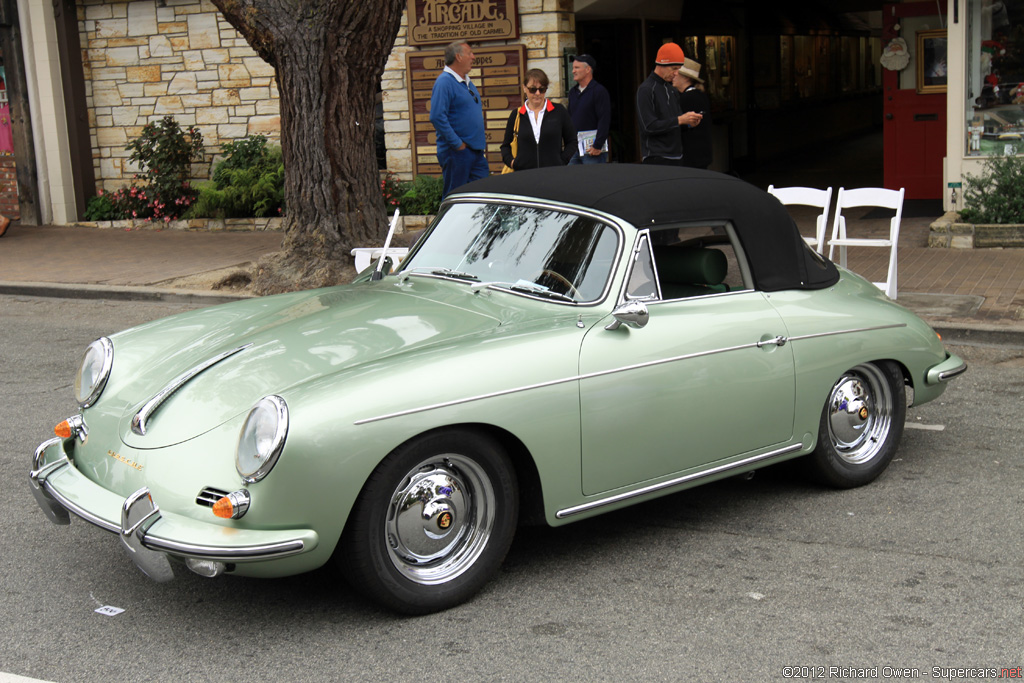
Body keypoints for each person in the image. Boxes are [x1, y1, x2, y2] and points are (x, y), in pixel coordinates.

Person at [429, 40, 489, 198]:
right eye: (469, 53)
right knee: (455, 199)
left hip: (475, 152)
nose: (473, 57)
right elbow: (436, 116)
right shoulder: (444, 82)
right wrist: (457, 144)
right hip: (457, 153)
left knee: (482, 197)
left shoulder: (467, 82)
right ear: (458, 57)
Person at [636, 42, 701, 165]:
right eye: (674, 68)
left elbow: (676, 121)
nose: (676, 73)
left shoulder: (671, 89)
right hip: (656, 157)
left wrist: (689, 123)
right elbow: (648, 126)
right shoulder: (646, 89)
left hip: (677, 155)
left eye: (678, 68)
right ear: (662, 65)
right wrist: (680, 120)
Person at [500, 69, 576, 171]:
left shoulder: (559, 111)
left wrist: (561, 162)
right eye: (533, 89)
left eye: (542, 89)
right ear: (524, 88)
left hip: (553, 174)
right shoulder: (516, 115)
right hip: (524, 175)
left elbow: (572, 141)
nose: (537, 93)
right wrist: (513, 163)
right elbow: (505, 146)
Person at [567, 54, 611, 164]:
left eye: (577, 68)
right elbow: (569, 118)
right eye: (573, 68)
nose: (573, 71)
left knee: (592, 180)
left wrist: (598, 145)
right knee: (569, 179)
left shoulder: (599, 91)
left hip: (593, 150)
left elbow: (604, 119)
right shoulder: (573, 92)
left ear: (588, 69)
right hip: (576, 149)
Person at [673, 58, 712, 169]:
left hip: (691, 158)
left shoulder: (688, 98)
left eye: (677, 72)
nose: (673, 75)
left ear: (686, 77)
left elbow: (683, 126)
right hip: (699, 156)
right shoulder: (698, 95)